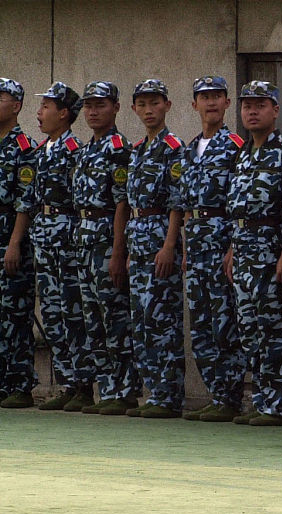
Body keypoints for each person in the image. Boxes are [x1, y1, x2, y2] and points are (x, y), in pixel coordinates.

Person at [224, 80, 282, 426]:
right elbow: (237, 209)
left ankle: (279, 405)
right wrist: (232, 248)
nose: (251, 111)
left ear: (276, 110)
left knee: (275, 329)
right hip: (243, 251)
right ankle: (262, 399)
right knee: (250, 329)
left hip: (271, 251)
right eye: (246, 105)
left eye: (260, 105)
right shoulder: (242, 153)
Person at [178, 75, 246, 423]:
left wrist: (234, 245)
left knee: (224, 322)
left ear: (227, 103)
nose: (211, 103)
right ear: (194, 105)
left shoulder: (235, 146)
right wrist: (186, 247)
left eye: (218, 96)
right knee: (201, 324)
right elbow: (185, 203)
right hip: (197, 241)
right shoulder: (189, 150)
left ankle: (231, 396)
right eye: (204, 97)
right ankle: (216, 393)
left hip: (221, 238)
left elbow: (239, 202)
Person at [72, 81, 139, 415]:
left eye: (100, 105)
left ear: (115, 107)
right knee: (92, 320)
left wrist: (117, 252)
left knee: (115, 318)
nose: (93, 111)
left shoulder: (118, 148)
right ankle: (107, 389)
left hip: (105, 241)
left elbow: (122, 205)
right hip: (83, 242)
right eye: (88, 106)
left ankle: (125, 390)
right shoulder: (86, 150)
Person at [124, 79, 187, 418]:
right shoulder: (137, 150)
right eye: (142, 104)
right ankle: (154, 392)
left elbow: (178, 203)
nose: (149, 110)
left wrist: (169, 245)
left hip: (162, 236)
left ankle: (168, 395)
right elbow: (133, 203)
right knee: (142, 320)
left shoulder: (174, 148)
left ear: (167, 106)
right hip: (139, 238)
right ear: (134, 108)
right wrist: (132, 247)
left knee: (163, 317)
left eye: (155, 103)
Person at [25, 83, 89, 412]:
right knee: (50, 313)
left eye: (46, 107)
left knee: (72, 311)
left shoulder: (74, 151)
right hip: (44, 240)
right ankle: (64, 381)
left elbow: (80, 201)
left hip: (67, 240)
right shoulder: (40, 152)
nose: (39, 113)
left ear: (63, 113)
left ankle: (82, 384)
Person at [0, 78, 39, 408]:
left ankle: (19, 383)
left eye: (1, 98)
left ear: (16, 106)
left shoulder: (24, 146)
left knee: (15, 313)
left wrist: (14, 244)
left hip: (11, 240)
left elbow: (26, 202)